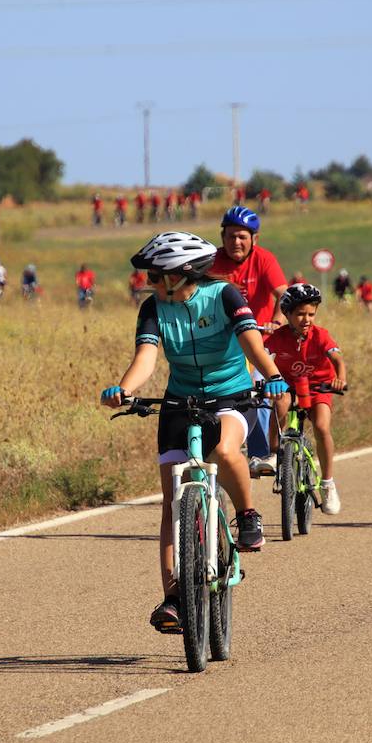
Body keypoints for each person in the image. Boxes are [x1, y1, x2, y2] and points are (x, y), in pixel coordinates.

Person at [99, 232, 287, 631]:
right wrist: (126, 389)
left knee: (224, 450)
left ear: (181, 275)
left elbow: (252, 343)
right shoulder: (153, 308)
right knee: (171, 503)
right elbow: (146, 358)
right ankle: (173, 599)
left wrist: (271, 375)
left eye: (155, 274)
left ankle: (248, 515)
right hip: (179, 401)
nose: (149, 280)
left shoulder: (224, 296)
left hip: (231, 395)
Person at [211, 205, 289, 476]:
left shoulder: (264, 260)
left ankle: (263, 452)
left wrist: (277, 321)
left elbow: (283, 294)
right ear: (222, 238)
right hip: (224, 343)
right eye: (231, 236)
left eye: (242, 236)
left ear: (254, 239)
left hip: (259, 341)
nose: (236, 242)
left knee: (262, 392)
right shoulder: (211, 261)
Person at [265, 284, 348, 515]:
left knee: (321, 426)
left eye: (311, 314)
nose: (306, 319)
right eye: (300, 314)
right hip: (289, 385)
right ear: (287, 314)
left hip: (318, 386)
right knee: (279, 400)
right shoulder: (278, 337)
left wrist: (340, 379)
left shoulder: (320, 335)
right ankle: (273, 454)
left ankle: (328, 483)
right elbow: (264, 358)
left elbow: (338, 360)